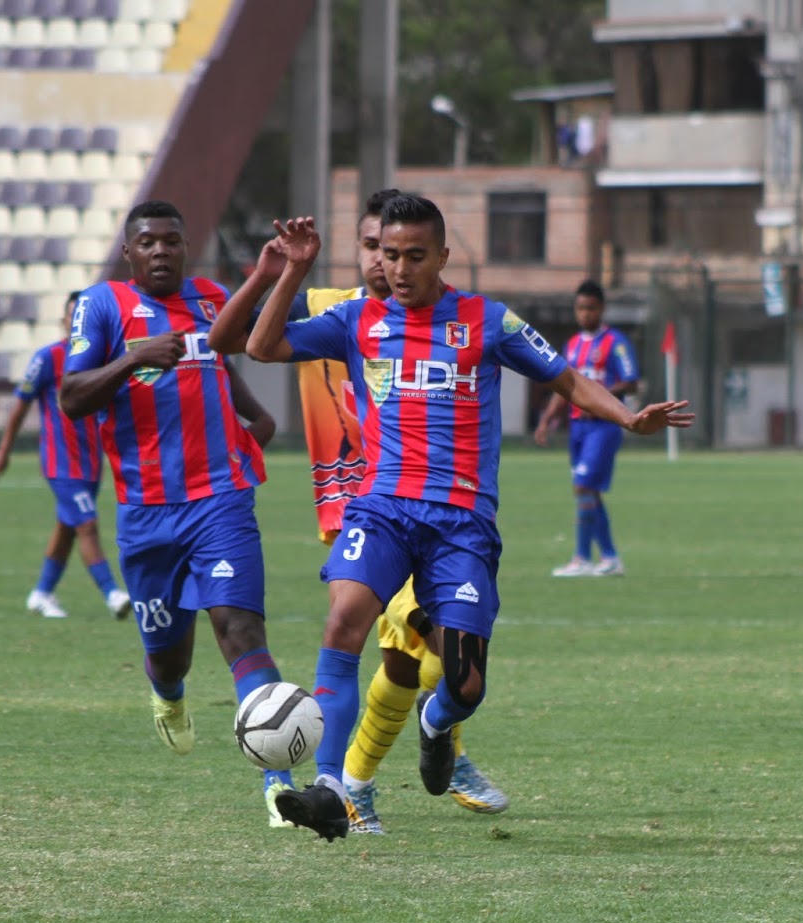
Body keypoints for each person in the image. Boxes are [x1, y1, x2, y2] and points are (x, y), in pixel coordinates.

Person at [225, 195, 693, 840]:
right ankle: (331, 786)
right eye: (389, 255)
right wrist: (295, 268)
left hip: (461, 521)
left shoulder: (488, 321)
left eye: (415, 256)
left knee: (465, 683)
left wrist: (626, 417)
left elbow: (566, 379)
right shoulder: (357, 319)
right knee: (344, 620)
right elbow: (261, 345)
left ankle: (436, 722)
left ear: (443, 256)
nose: (399, 268)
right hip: (383, 507)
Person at [59, 200, 297, 821]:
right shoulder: (102, 306)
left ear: (185, 248)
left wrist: (253, 413)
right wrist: (133, 357)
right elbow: (71, 398)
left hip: (221, 501)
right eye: (148, 242)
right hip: (147, 514)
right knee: (170, 654)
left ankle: (278, 781)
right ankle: (168, 696)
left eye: (172, 240)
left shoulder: (213, 298)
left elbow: (216, 361)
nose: (161, 250)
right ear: (129, 253)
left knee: (241, 630)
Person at [0, 291, 133, 621]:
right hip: (61, 463)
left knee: (67, 528)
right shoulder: (47, 358)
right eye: (73, 316)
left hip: (91, 463)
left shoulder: (102, 359)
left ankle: (41, 593)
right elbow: (19, 407)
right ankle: (113, 594)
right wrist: (4, 450)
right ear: (64, 321)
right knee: (87, 525)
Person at [533, 279, 640, 577]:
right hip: (577, 428)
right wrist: (546, 419)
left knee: (584, 487)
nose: (585, 314)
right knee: (587, 492)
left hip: (602, 426)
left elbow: (631, 380)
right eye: (580, 308)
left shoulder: (615, 343)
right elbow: (564, 385)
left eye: (590, 308)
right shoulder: (573, 345)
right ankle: (608, 558)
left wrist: (599, 393)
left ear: (601, 309)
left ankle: (584, 558)